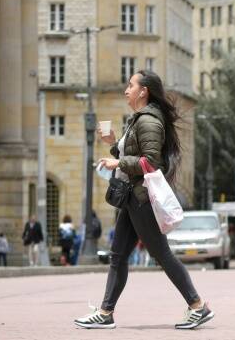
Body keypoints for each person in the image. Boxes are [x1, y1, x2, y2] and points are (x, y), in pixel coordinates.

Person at [74, 70, 213, 330]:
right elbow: (134, 155)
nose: (126, 90)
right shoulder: (137, 120)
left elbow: (150, 163)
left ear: (143, 91)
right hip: (132, 198)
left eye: (130, 85)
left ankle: (198, 306)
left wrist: (118, 161)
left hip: (142, 199)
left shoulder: (148, 121)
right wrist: (115, 144)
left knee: (161, 254)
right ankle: (106, 312)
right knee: (118, 256)